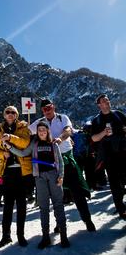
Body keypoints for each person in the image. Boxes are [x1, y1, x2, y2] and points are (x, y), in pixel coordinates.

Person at [29, 98, 96, 232]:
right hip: (51, 164)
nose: (47, 110)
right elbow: (26, 132)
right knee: (56, 197)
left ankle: (87, 220)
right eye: (44, 109)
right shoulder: (39, 123)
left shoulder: (62, 118)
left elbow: (68, 130)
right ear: (42, 110)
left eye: (49, 107)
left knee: (77, 192)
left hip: (66, 160)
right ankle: (60, 224)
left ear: (53, 107)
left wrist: (61, 138)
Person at [4, 121, 69, 249]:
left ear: (48, 131)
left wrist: (61, 176)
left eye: (44, 130)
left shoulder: (54, 144)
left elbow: (60, 162)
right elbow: (23, 153)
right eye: (39, 130)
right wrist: (9, 147)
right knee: (43, 207)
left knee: (58, 205)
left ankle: (64, 236)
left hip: (54, 176)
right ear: (37, 132)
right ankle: (45, 237)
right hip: (39, 177)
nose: (42, 132)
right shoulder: (34, 144)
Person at [0, 105, 32, 248]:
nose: (9, 114)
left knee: (22, 205)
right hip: (7, 172)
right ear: (4, 115)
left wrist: (10, 138)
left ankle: (21, 235)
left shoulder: (23, 128)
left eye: (12, 112)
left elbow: (25, 142)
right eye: (7, 112)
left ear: (16, 115)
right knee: (7, 205)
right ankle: (6, 236)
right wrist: (3, 154)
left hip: (22, 171)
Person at [91, 94, 126, 220]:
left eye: (107, 100)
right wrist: (103, 133)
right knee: (115, 185)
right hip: (109, 158)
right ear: (99, 105)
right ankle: (122, 211)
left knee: (123, 182)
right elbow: (94, 138)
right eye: (104, 101)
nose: (107, 102)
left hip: (123, 153)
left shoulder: (119, 114)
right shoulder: (97, 120)